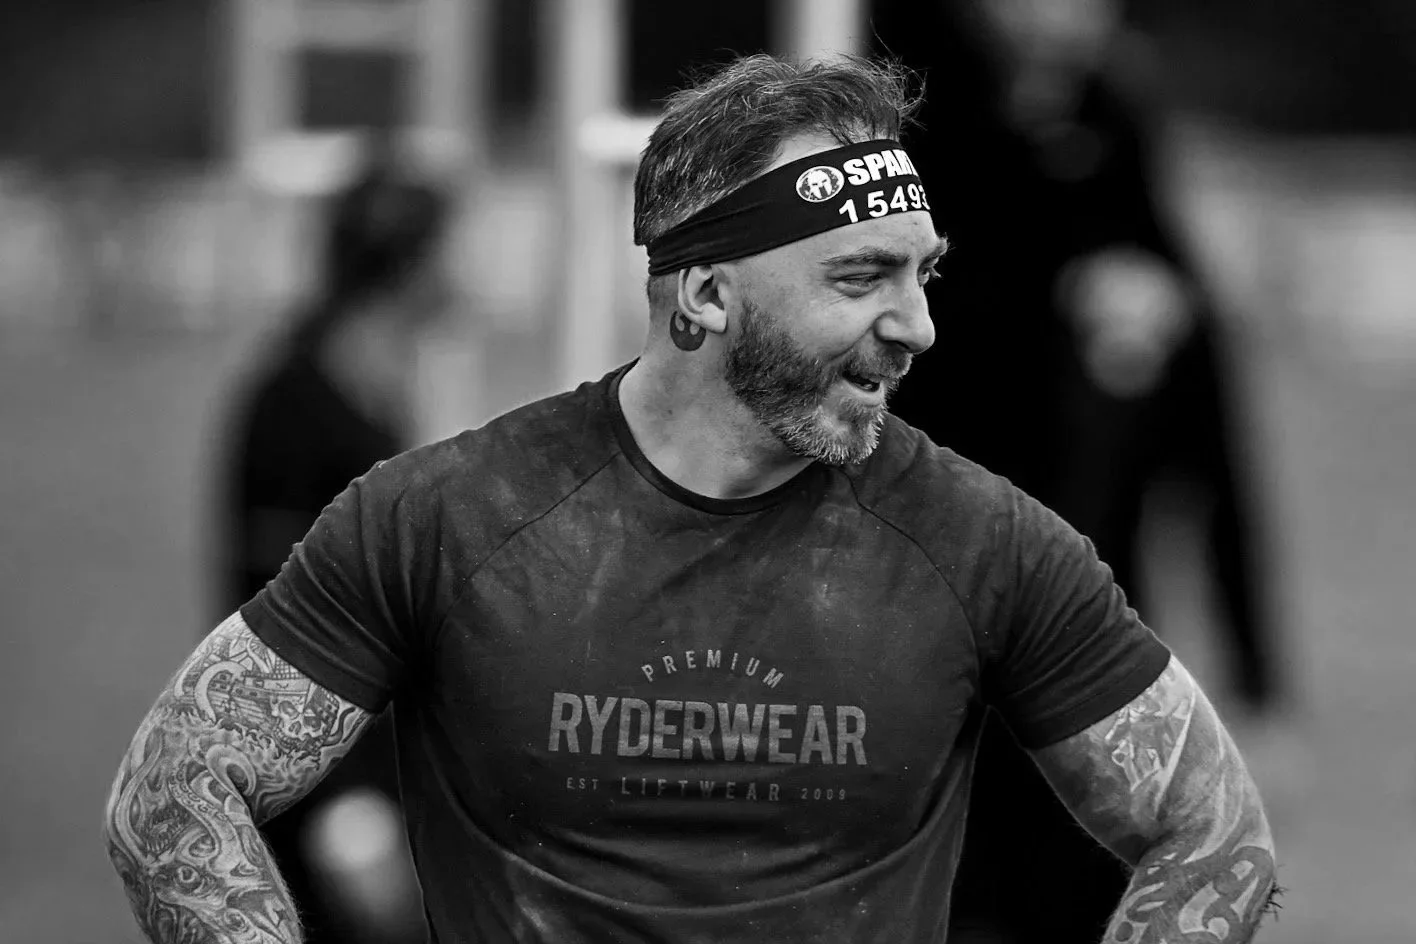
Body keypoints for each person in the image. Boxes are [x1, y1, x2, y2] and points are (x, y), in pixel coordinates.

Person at [103, 54, 1277, 943]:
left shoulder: (987, 542)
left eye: (924, 273)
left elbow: (1215, 828)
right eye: (861, 276)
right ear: (706, 295)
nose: (919, 326)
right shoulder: (443, 517)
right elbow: (173, 786)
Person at [868, 3, 1283, 939]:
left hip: (1084, 625)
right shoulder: (897, 118)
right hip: (928, 612)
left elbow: (1210, 434)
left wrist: (1256, 673)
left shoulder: (1115, 130)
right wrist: (1064, 307)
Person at [214, 140, 451, 944]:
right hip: (321, 790)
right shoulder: (297, 403)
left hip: (369, 767)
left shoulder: (368, 383)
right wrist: (343, 807)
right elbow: (269, 623)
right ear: (408, 264)